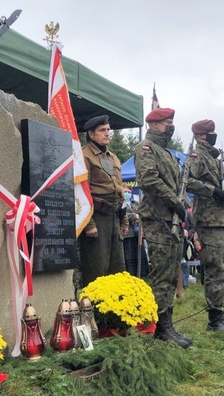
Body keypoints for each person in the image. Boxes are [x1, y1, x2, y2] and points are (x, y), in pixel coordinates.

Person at [134, 107, 192, 348]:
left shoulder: (166, 153)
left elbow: (178, 185)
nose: (171, 126)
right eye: (167, 122)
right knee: (161, 274)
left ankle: (167, 324)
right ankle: (159, 326)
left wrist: (184, 208)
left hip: (171, 220)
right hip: (157, 219)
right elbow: (148, 179)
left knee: (170, 273)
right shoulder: (146, 148)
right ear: (154, 125)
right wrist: (175, 201)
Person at [185, 119, 224, 338]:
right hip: (208, 219)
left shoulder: (212, 157)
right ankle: (214, 320)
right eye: (210, 133)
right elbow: (188, 180)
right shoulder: (197, 156)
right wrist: (213, 191)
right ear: (201, 136)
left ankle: (220, 316)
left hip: (220, 219)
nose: (213, 135)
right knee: (215, 268)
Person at [79, 115, 128, 288]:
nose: (107, 133)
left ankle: (113, 314)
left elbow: (120, 191)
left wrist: (124, 219)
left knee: (118, 270)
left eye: (108, 129)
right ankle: (92, 312)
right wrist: (89, 223)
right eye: (102, 130)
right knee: (96, 271)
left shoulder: (113, 157)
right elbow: (79, 191)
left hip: (114, 216)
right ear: (91, 134)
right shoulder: (84, 155)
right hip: (97, 217)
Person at [122, 186, 149, 278]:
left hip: (137, 233)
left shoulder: (135, 204)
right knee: (129, 256)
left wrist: (139, 217)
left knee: (138, 254)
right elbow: (122, 214)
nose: (127, 193)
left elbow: (142, 213)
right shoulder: (120, 203)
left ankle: (141, 275)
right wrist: (134, 216)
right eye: (125, 191)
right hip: (127, 234)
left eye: (129, 192)